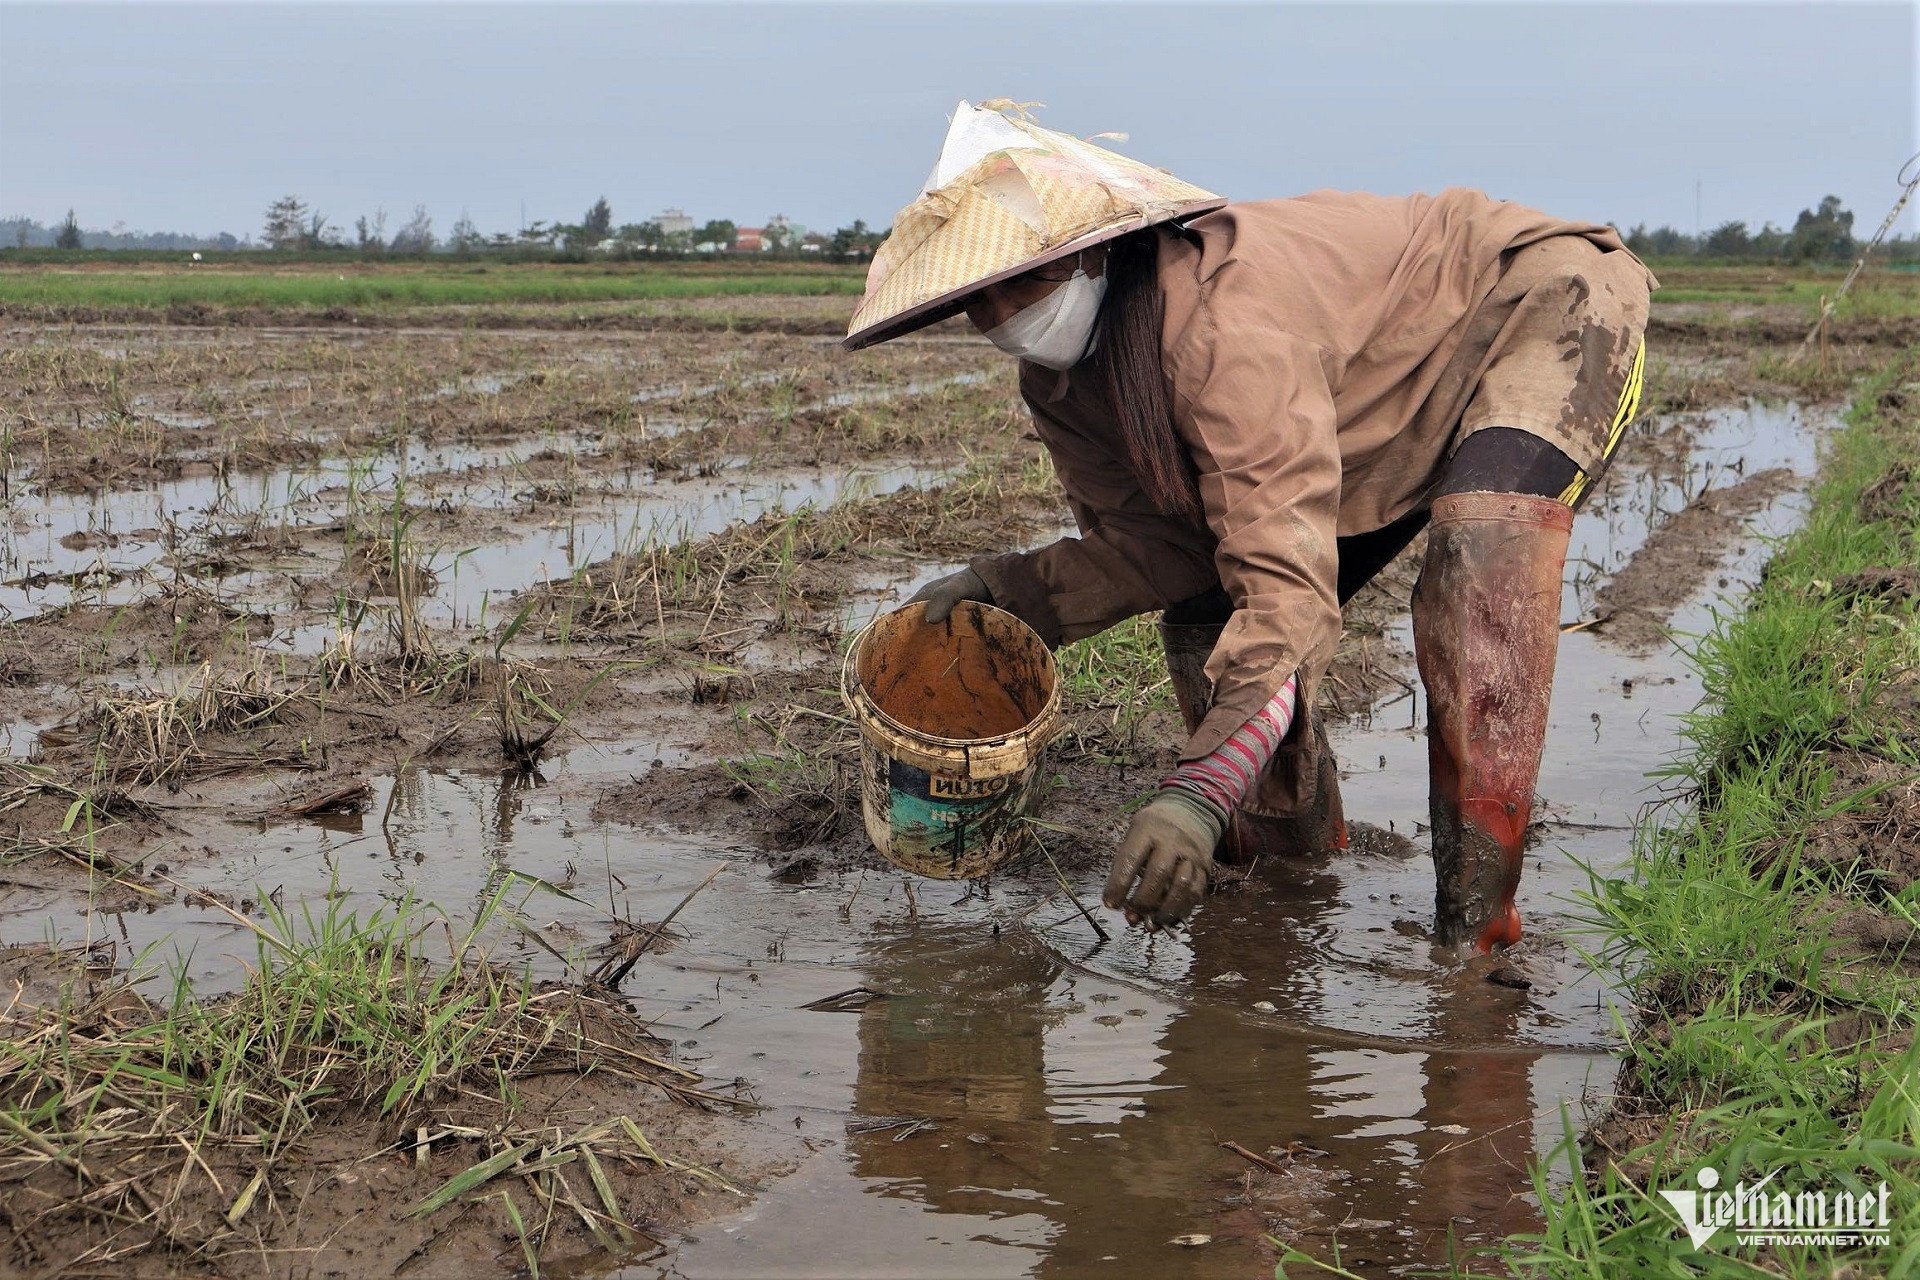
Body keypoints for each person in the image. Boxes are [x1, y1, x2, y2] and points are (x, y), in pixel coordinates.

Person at [844, 101, 1653, 953]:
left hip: (1540, 307)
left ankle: (1476, 937)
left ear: (1087, 251)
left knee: (1481, 557)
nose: (998, 314)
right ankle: (1291, 890)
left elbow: (1285, 595)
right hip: (1372, 406)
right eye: (977, 296)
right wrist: (1003, 594)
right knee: (1204, 614)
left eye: (1020, 279)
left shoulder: (1226, 330)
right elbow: (1157, 547)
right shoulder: (1064, 386)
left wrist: (1198, 789)